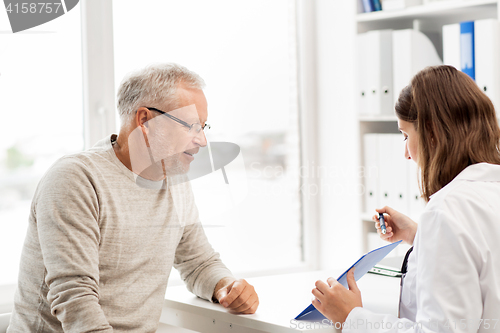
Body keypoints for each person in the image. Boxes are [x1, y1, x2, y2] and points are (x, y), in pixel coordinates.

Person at [7, 63, 259, 332]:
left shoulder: (174, 178)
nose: (202, 140)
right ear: (145, 121)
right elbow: (75, 298)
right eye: (191, 126)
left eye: (203, 127)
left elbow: (198, 262)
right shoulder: (76, 179)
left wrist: (225, 286)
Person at [311, 65, 500, 332]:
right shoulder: (487, 191)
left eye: (406, 135)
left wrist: (351, 316)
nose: (406, 154)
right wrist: (420, 236)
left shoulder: (447, 210)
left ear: (432, 132)